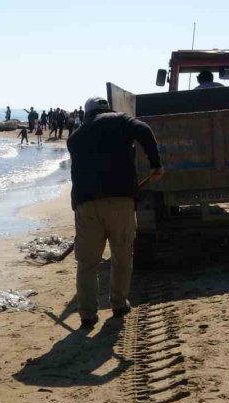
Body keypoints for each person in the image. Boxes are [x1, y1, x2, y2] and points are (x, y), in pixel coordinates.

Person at [66, 96, 164, 328]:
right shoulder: (121, 121)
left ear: (87, 113)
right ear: (107, 109)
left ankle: (87, 315)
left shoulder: (75, 137)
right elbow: (144, 129)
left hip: (86, 204)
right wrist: (155, 164)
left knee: (87, 262)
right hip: (120, 200)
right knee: (121, 255)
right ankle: (119, 304)